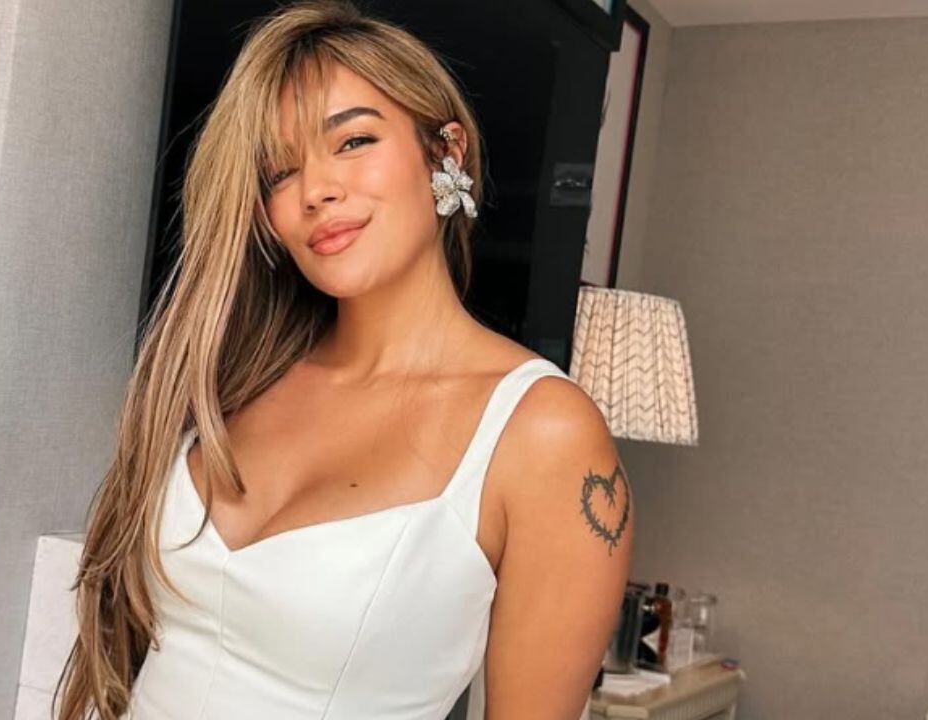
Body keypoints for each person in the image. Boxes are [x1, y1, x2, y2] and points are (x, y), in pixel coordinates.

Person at [56, 1, 635, 718]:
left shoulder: (541, 432)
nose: (316, 190)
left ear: (446, 154)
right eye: (279, 171)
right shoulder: (233, 379)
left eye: (353, 140)